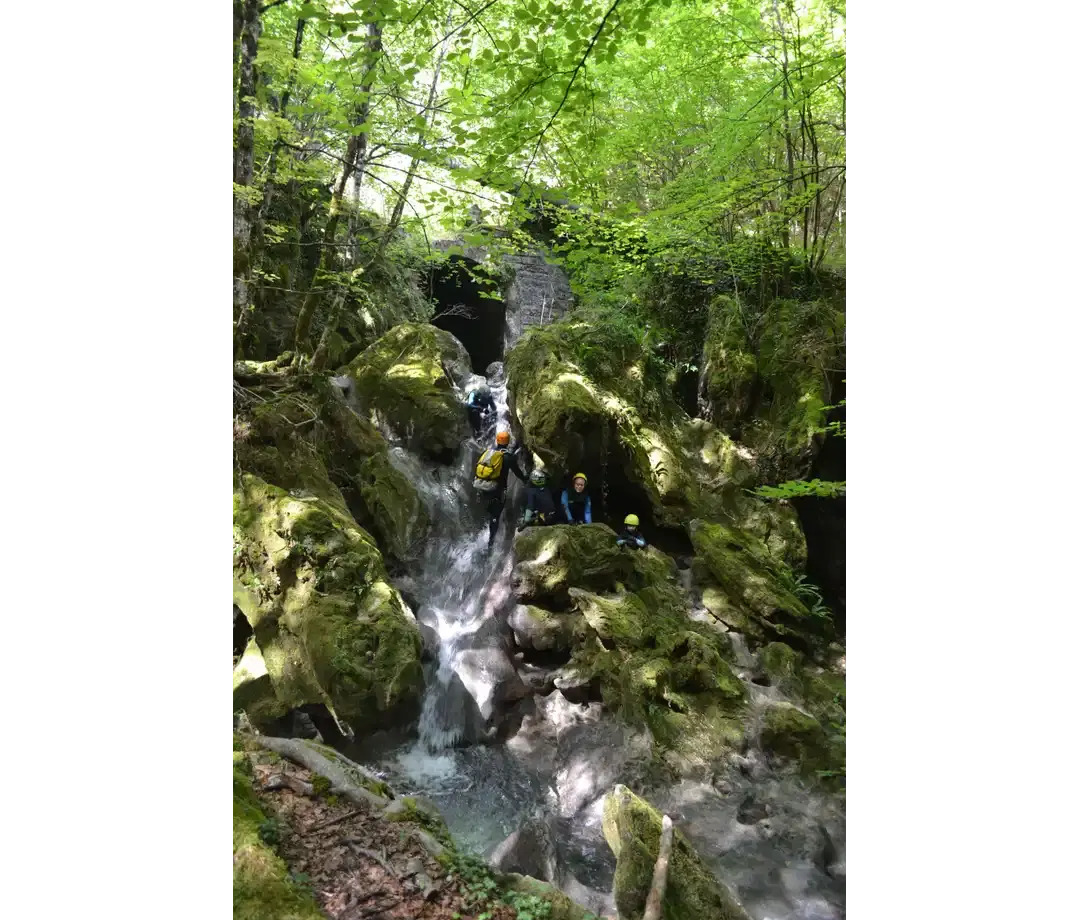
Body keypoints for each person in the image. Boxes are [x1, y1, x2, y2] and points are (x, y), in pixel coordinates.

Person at [473, 429, 525, 545]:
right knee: (495, 515)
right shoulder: (507, 457)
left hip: (483, 487)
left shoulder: (489, 453)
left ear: (497, 440)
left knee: (489, 511)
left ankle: (484, 533)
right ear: (508, 442)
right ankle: (491, 541)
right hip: (498, 490)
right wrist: (526, 480)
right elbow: (518, 473)